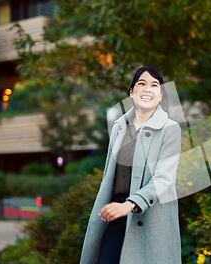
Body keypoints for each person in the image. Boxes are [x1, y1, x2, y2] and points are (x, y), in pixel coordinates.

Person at [80, 66, 182, 264]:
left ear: (160, 95)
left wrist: (129, 204)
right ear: (131, 93)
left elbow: (164, 179)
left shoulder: (170, 129)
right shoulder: (119, 127)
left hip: (150, 220)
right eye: (141, 84)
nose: (147, 89)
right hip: (115, 215)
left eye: (154, 85)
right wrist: (117, 207)